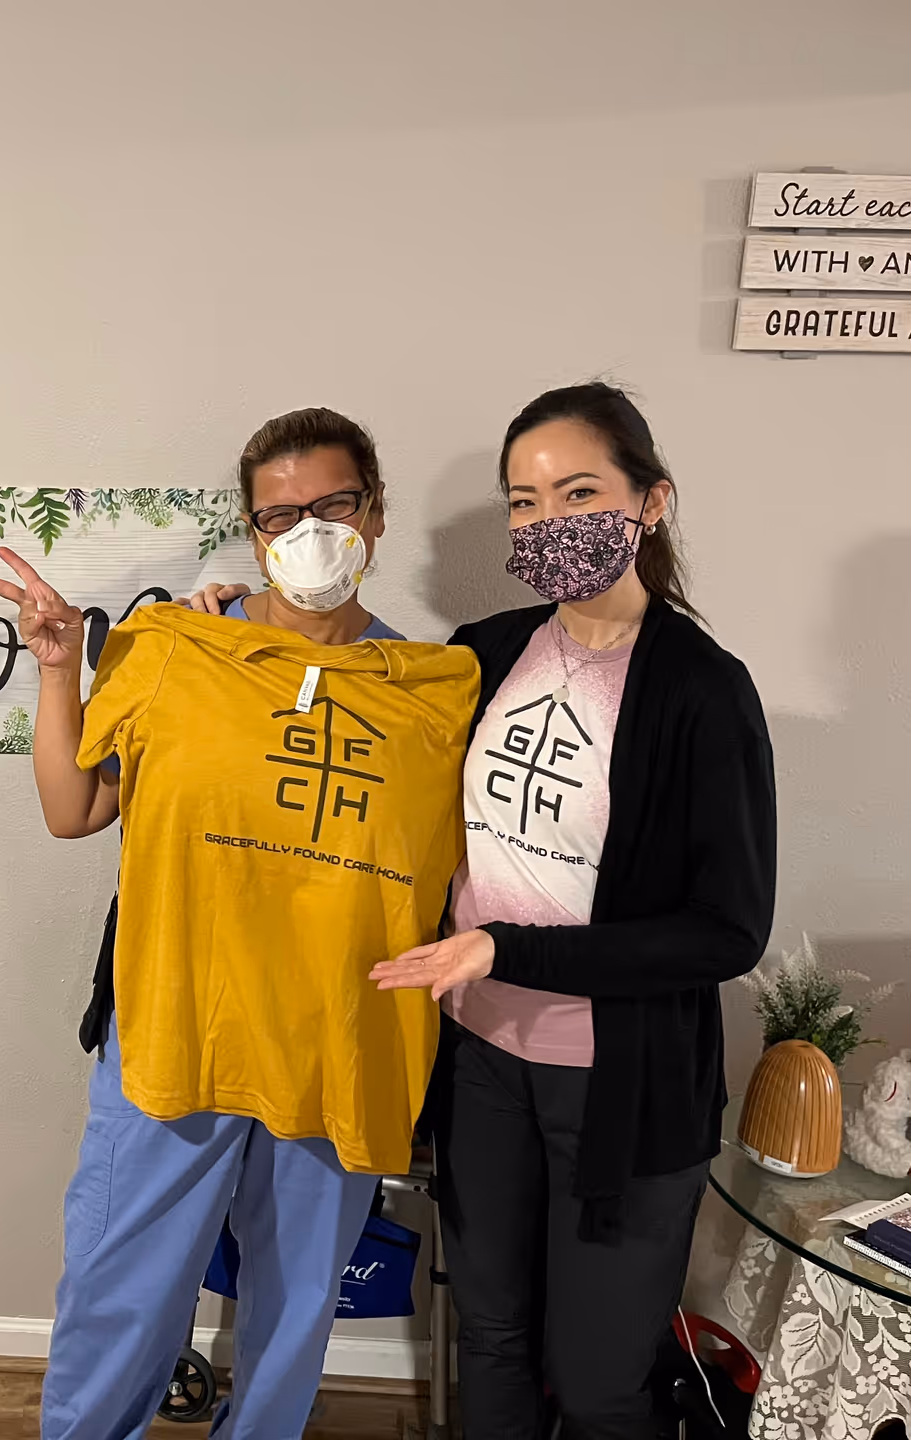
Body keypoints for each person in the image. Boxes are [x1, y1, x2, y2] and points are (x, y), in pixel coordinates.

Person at [191, 382, 777, 1438]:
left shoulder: (702, 689)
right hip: (478, 1065)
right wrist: (240, 641)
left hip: (619, 1090)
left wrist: (505, 949)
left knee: (599, 1378)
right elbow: (358, 728)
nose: (548, 522)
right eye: (523, 501)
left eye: (578, 491)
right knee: (491, 1340)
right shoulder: (487, 652)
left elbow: (729, 931)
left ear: (651, 501)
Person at [0, 408, 478, 1440]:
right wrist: (61, 668)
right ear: (252, 532)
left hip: (337, 1044)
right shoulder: (177, 649)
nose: (308, 530)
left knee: (292, 1318)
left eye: (332, 504)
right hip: (177, 1028)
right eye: (279, 513)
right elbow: (74, 812)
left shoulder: (437, 696)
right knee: (121, 1298)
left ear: (376, 510)